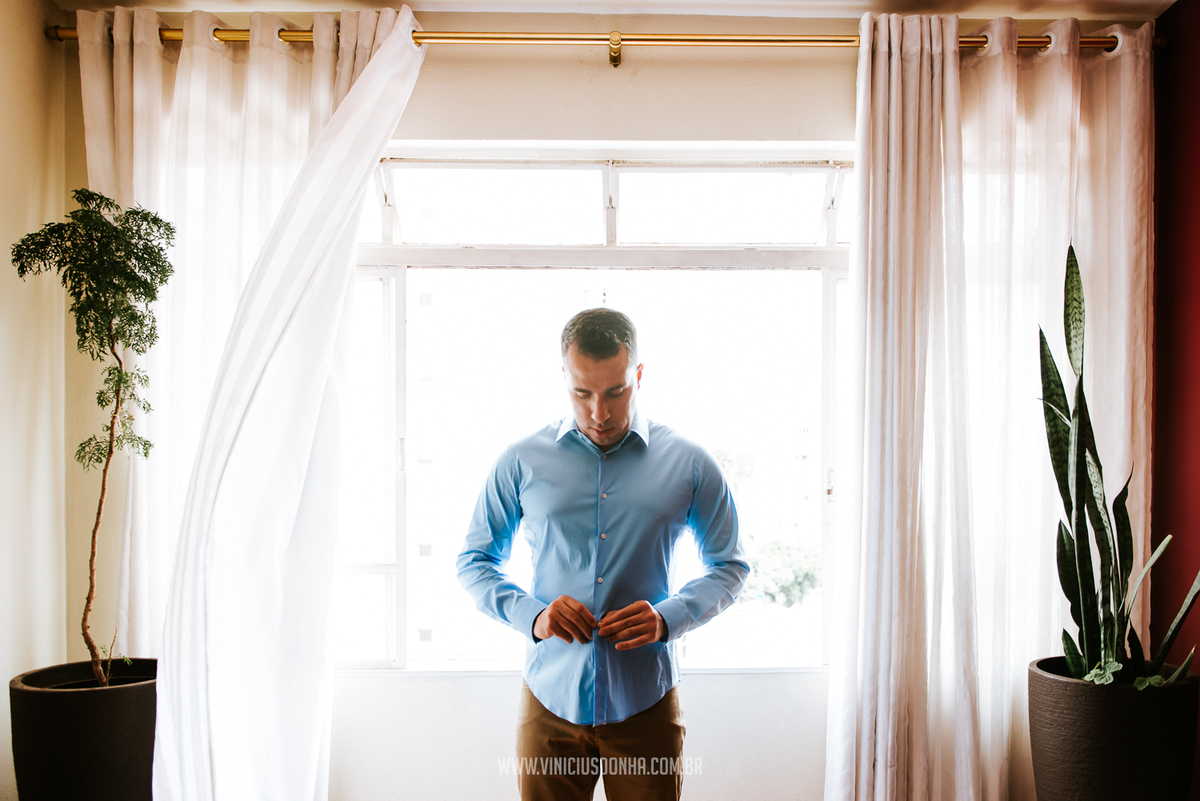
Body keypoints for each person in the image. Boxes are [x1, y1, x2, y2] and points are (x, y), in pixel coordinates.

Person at [456, 307, 748, 801]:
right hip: (550, 702)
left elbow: (730, 565)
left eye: (616, 392)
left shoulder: (691, 463)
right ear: (563, 377)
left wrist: (668, 617)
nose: (599, 413)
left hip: (646, 703)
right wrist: (533, 616)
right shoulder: (520, 461)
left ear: (639, 374)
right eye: (581, 393)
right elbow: (474, 561)